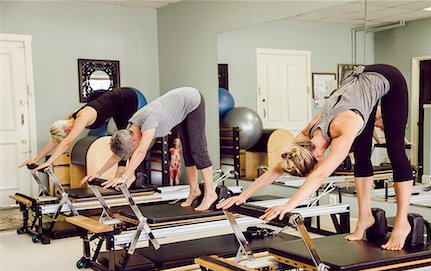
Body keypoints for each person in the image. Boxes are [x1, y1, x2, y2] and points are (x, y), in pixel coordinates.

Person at [218, 64, 414, 251]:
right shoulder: (306, 135)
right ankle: (365, 218)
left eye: (313, 167)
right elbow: (276, 170)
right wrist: (243, 196)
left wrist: (289, 205)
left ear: (317, 155)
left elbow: (318, 176)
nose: (318, 167)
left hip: (389, 78)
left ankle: (402, 222)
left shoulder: (344, 130)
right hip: (359, 90)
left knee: (395, 150)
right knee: (362, 156)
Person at [82, 87, 217, 211]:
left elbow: (141, 151)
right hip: (181, 105)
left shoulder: (149, 122)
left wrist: (125, 176)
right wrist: (98, 173)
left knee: (197, 150)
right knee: (187, 152)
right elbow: (118, 154)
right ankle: (194, 191)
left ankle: (210, 193)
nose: (130, 154)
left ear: (133, 140)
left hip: (192, 100)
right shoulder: (130, 129)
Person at [19, 88, 141, 177]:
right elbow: (55, 141)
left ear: (67, 130)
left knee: (124, 139)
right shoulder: (68, 120)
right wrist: (36, 159)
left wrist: (48, 163)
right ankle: (123, 171)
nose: (67, 135)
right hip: (116, 105)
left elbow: (66, 142)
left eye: (66, 134)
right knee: (121, 136)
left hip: (126, 99)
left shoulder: (81, 118)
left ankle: (128, 173)